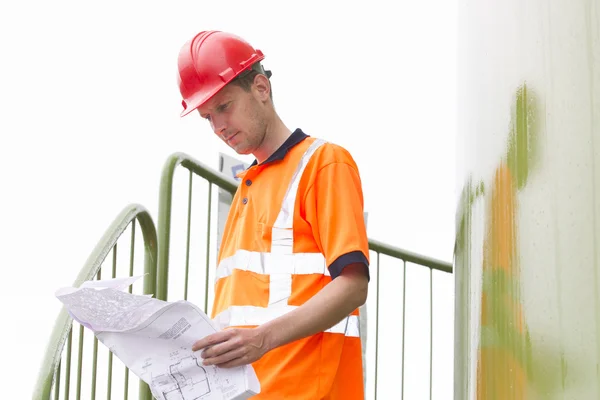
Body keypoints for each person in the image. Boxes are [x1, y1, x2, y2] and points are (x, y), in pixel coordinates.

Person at [176, 30, 370, 399]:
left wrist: (260, 340)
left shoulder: (324, 163)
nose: (218, 127)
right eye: (207, 117)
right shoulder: (247, 188)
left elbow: (353, 284)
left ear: (261, 88)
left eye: (224, 106)